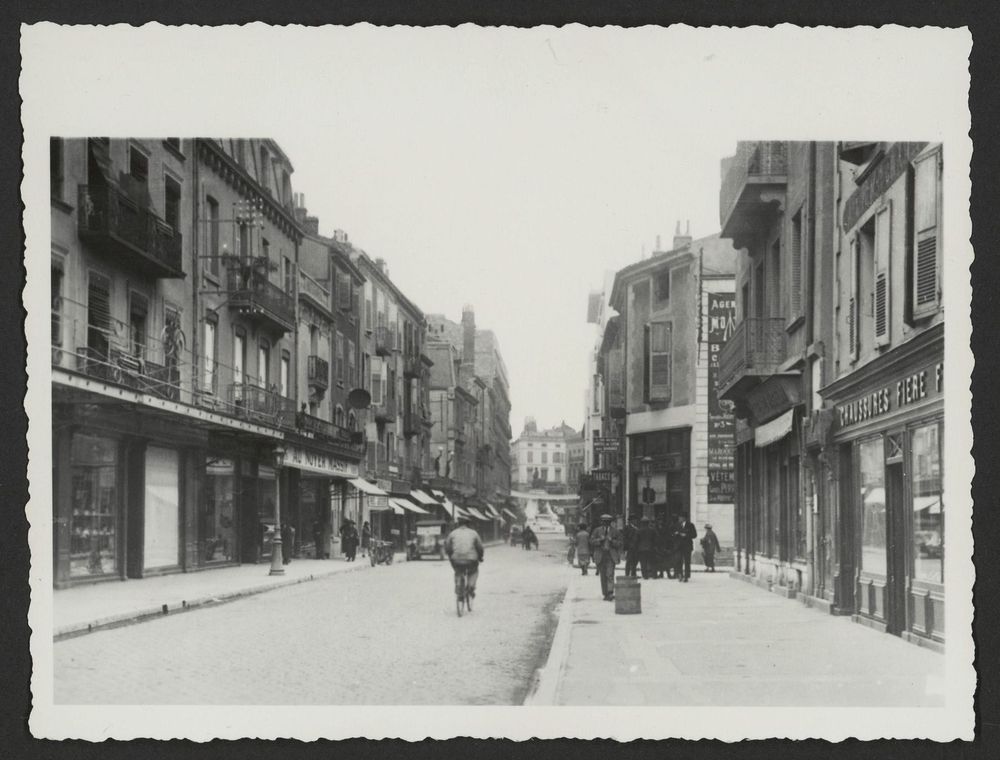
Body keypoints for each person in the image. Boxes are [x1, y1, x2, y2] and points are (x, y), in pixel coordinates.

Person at [444, 515, 484, 600]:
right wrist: (480, 557)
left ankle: (459, 587)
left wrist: (451, 556)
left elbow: (447, 547)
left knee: (458, 571)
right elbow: (480, 547)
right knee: (474, 571)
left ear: (458, 524)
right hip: (471, 560)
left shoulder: (453, 533)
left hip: (456, 559)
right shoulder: (474, 533)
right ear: (468, 524)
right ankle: (471, 586)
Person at [589, 513, 622, 601]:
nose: (606, 523)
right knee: (603, 575)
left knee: (610, 574)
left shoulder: (615, 531)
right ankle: (605, 593)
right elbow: (591, 541)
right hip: (600, 555)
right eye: (604, 522)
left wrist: (612, 541)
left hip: (611, 555)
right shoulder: (597, 530)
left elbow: (620, 543)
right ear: (602, 522)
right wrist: (600, 540)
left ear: (610, 522)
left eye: (608, 522)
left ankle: (610, 592)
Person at [674, 513, 698, 582]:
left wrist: (686, 535)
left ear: (684, 518)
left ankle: (686, 576)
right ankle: (680, 575)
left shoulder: (690, 525)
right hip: (679, 546)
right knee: (679, 561)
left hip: (687, 546)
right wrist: (675, 534)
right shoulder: (677, 525)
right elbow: (672, 534)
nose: (679, 519)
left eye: (680, 517)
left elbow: (694, 535)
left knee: (687, 562)